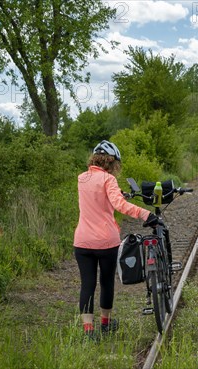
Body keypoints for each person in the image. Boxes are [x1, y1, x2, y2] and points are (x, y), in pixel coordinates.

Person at [73, 140, 159, 340]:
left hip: (82, 241)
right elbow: (119, 205)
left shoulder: (81, 178)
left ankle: (88, 331)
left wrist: (116, 194)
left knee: (87, 284)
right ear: (112, 163)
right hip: (105, 242)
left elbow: (96, 199)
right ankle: (105, 322)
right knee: (106, 282)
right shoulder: (108, 179)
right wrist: (146, 214)